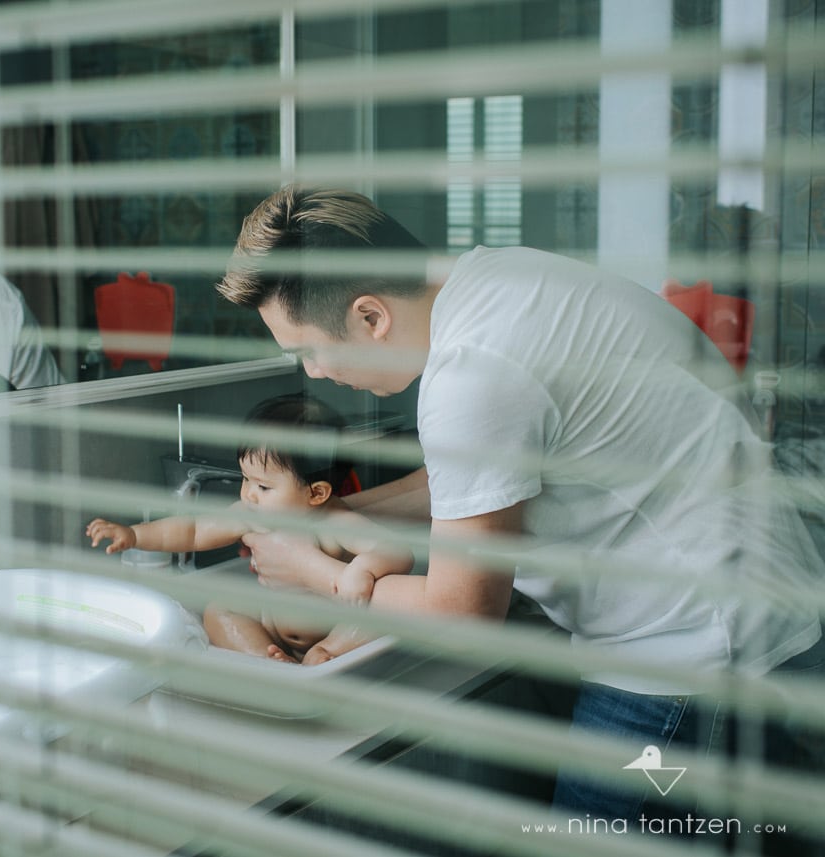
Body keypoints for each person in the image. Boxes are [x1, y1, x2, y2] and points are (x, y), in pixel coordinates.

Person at [216, 187, 825, 844]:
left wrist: (310, 568)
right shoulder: (499, 279)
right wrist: (336, 514)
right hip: (763, 607)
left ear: (369, 316)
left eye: (308, 350)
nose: (315, 371)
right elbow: (474, 478)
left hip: (694, 651)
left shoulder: (470, 372)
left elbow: (464, 612)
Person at [85, 394, 415, 665]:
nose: (248, 494)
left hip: (332, 630)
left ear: (316, 493)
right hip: (273, 627)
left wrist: (362, 570)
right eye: (246, 479)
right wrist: (136, 535)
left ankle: (329, 652)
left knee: (376, 616)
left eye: (264, 486)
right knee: (219, 611)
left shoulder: (335, 523)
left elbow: (396, 550)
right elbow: (194, 531)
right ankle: (265, 656)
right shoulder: (252, 514)